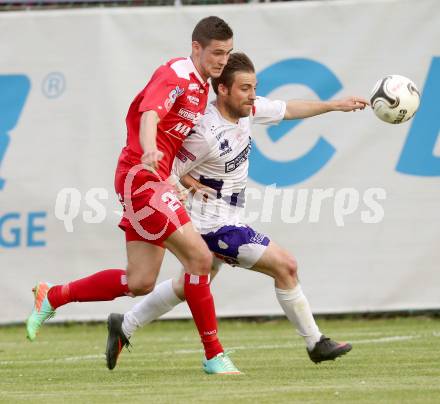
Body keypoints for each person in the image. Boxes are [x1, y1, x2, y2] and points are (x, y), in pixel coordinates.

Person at [105, 52, 369, 370]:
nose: (252, 95)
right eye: (245, 88)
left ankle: (126, 325)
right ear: (223, 90)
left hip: (229, 218)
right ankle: (315, 342)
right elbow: (171, 163)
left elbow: (288, 109)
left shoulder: (248, 111)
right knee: (286, 266)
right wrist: (183, 182)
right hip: (210, 226)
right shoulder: (203, 130)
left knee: (185, 286)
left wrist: (334, 105)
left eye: (254, 87)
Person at [26, 16, 240, 375]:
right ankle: (213, 355)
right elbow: (149, 115)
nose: (222, 60)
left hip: (152, 180)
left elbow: (174, 136)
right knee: (200, 260)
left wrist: (177, 177)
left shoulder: (204, 87)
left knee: (139, 281)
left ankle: (53, 296)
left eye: (228, 53)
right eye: (217, 52)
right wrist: (150, 152)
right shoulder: (175, 74)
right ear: (196, 48)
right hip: (142, 178)